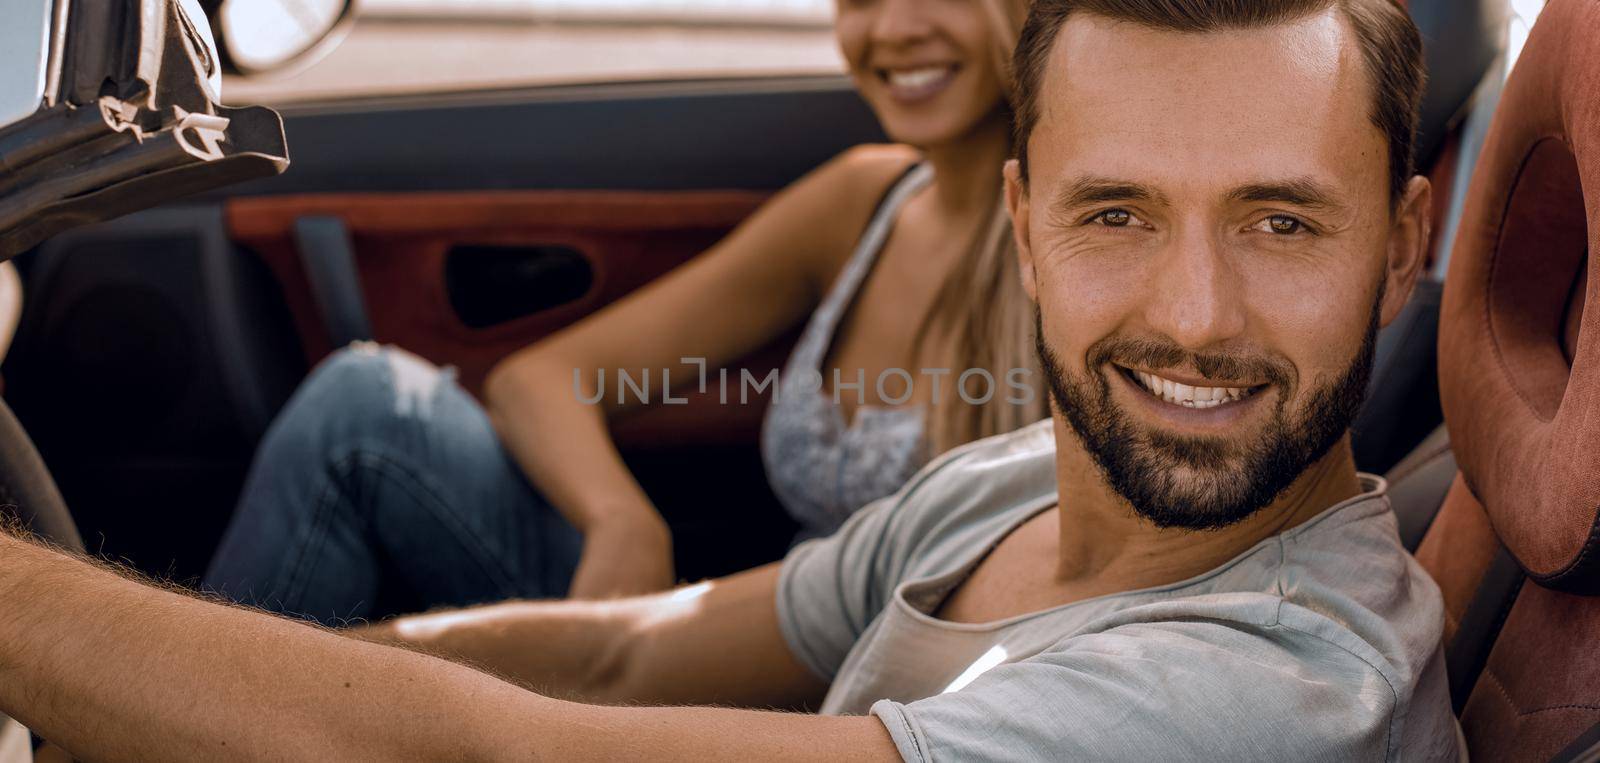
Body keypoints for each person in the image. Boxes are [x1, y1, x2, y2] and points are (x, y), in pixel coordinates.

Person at [1, 0, 1459, 759]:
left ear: (1403, 247)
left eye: (1282, 221)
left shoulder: (1271, 692)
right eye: (1116, 213)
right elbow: (613, 654)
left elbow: (526, 751)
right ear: (1027, 224)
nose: (1194, 316)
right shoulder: (1022, 482)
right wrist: (148, 701)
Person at [201, 0, 1046, 623]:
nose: (893, 29)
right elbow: (542, 378)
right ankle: (160, 710)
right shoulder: (867, 200)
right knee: (366, 405)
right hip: (725, 632)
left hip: (854, 698)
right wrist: (621, 518)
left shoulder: (1067, 258)